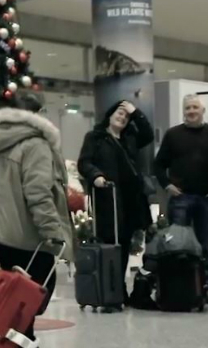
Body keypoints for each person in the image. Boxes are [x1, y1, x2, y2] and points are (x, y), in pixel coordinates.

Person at [0, 91, 74, 342]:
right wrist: (53, 232)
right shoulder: (36, 144)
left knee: (16, 308)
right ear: (37, 116)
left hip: (1, 232)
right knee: (30, 304)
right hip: (28, 236)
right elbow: (38, 192)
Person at [77, 100, 154, 298]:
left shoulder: (129, 138)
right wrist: (96, 176)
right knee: (110, 242)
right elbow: (84, 162)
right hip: (108, 198)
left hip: (130, 200)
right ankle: (108, 288)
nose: (122, 117)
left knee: (126, 243)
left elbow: (148, 134)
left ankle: (118, 288)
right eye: (119, 113)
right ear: (109, 116)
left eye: (126, 116)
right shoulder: (95, 138)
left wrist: (135, 112)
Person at [153, 94, 208, 304]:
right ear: (183, 112)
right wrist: (167, 185)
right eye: (187, 108)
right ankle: (179, 288)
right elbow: (158, 165)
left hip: (207, 198)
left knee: (205, 246)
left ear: (202, 111)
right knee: (178, 246)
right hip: (180, 198)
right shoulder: (173, 134)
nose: (191, 111)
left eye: (195, 107)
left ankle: (205, 288)